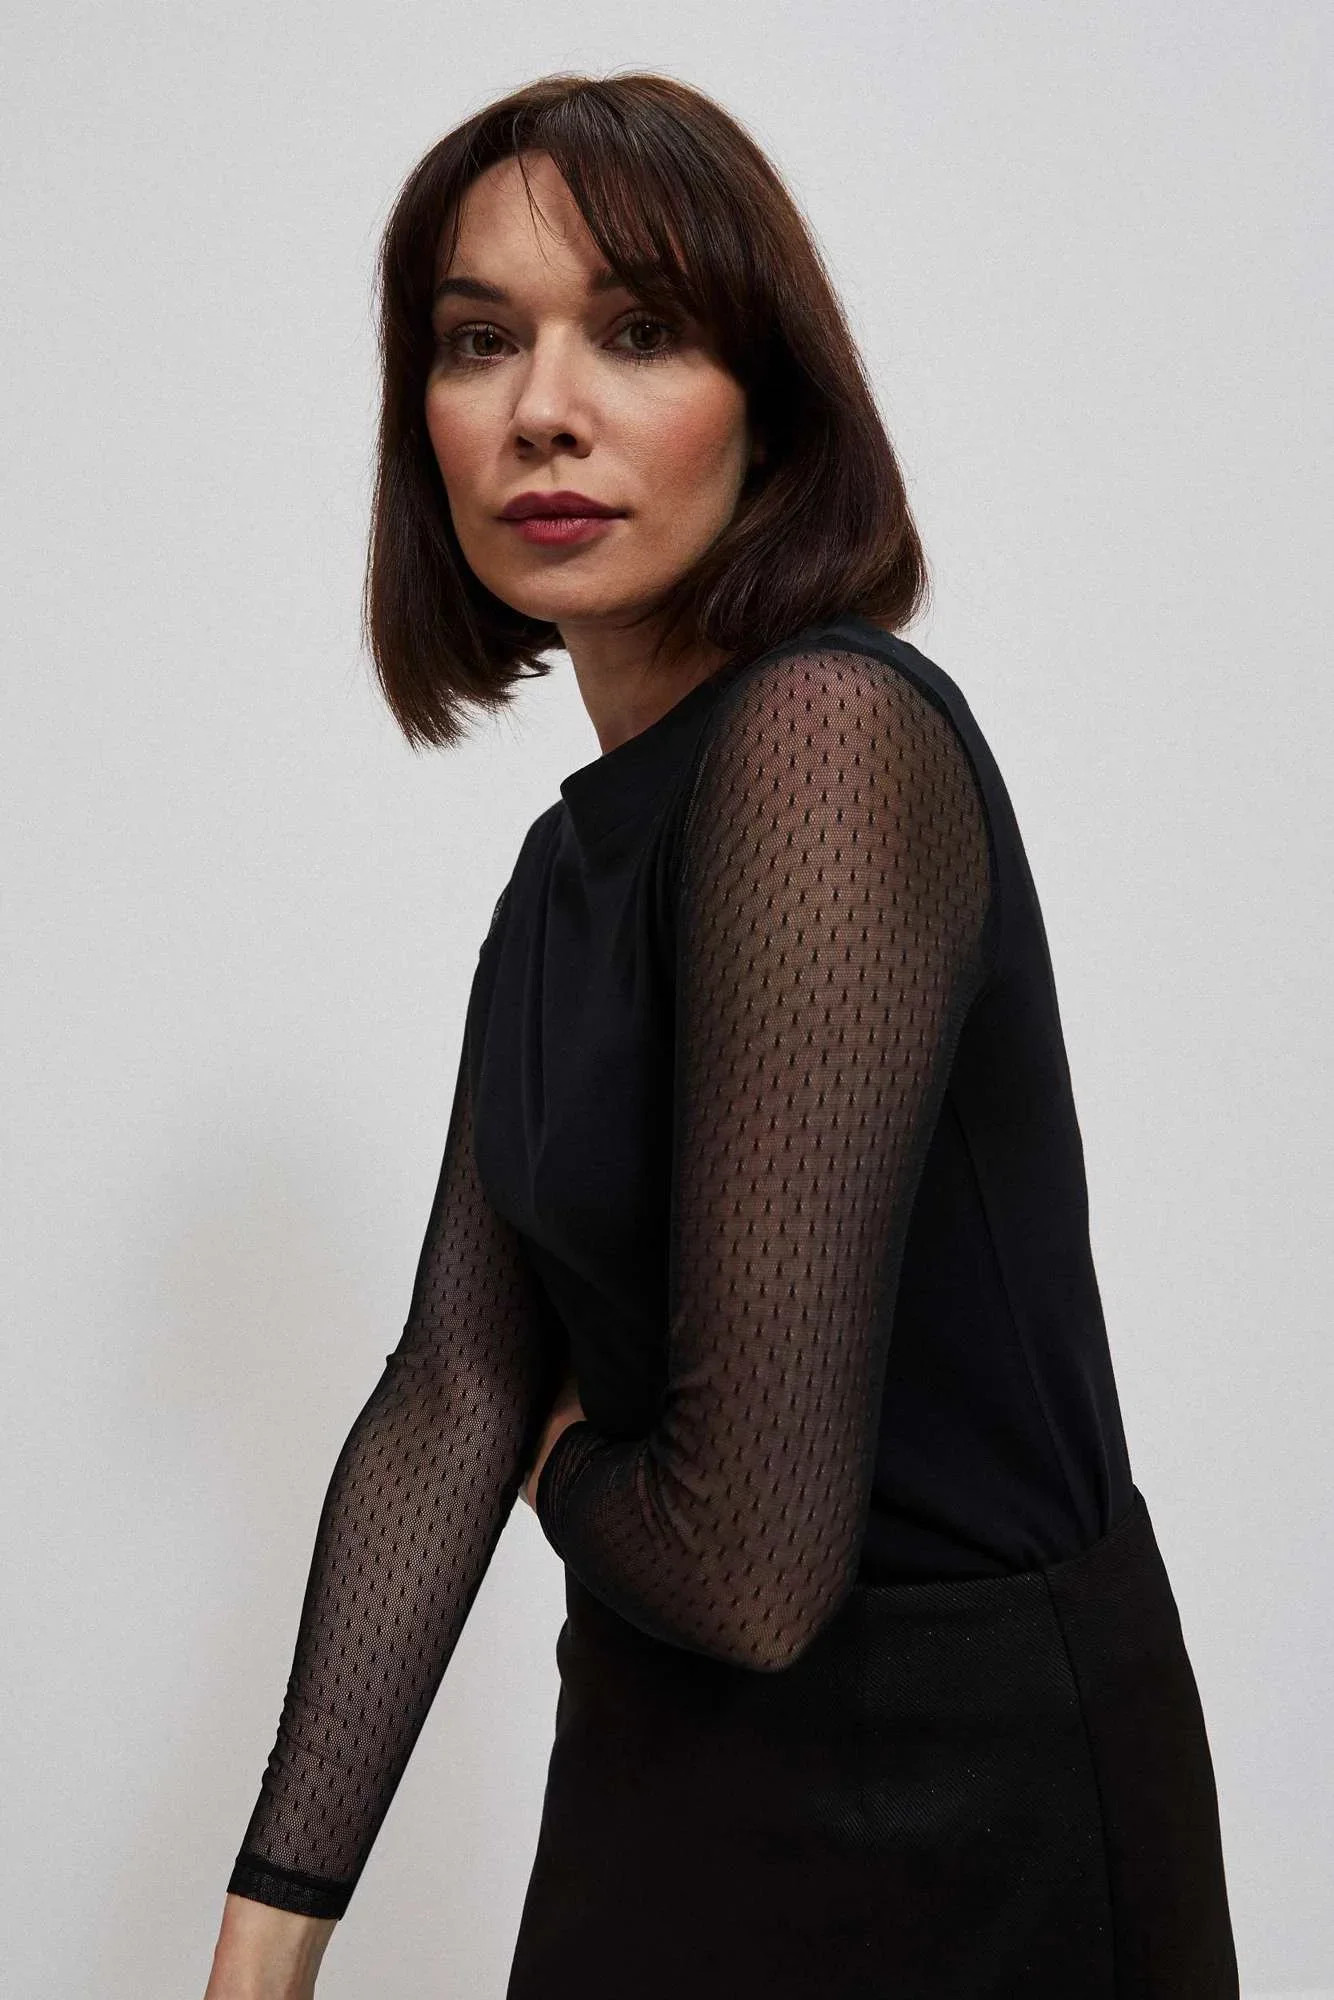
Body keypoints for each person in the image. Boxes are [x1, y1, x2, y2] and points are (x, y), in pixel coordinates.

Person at [203, 71, 1239, 2000]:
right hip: (656, 1765)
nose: (543, 409)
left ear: (770, 406)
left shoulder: (829, 743)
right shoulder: (564, 876)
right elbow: (450, 1391)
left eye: (640, 329)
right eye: (478, 341)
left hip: (964, 1812)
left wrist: (561, 1462)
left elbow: (749, 1568)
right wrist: (260, 1946)